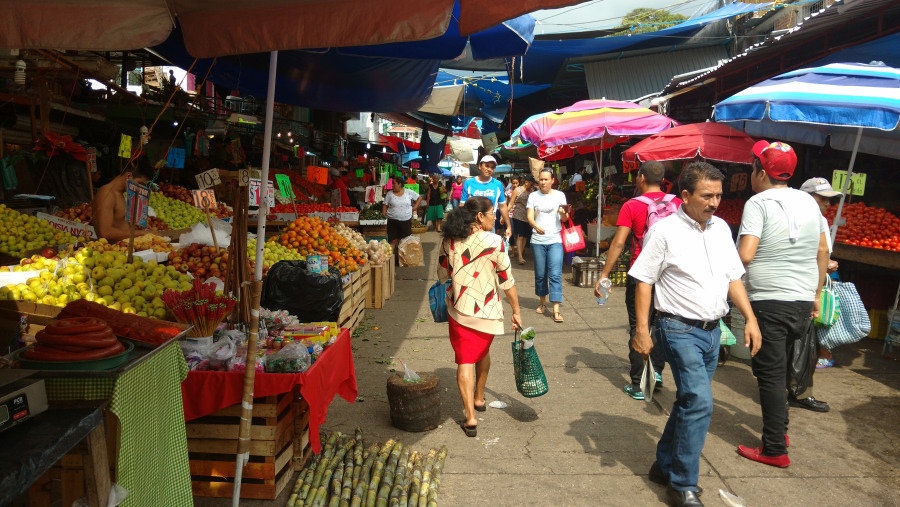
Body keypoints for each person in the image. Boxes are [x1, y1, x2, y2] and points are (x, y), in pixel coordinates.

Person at [629, 161, 762, 507]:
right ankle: (684, 484)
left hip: (712, 332)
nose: (714, 202)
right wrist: (642, 331)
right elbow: (643, 280)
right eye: (707, 196)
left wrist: (750, 318)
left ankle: (663, 464)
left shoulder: (720, 229)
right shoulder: (665, 231)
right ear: (685, 195)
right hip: (676, 328)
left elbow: (734, 276)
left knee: (690, 400)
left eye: (718, 195)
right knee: (701, 401)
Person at [736, 141, 830, 468]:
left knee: (771, 376)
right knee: (785, 368)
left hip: (768, 300)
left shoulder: (758, 203)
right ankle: (781, 431)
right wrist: (816, 294)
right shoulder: (810, 203)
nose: (751, 174)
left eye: (752, 168)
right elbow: (822, 251)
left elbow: (746, 254)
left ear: (761, 172)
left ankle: (775, 448)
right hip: (802, 299)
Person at [595, 161, 682, 401]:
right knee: (660, 325)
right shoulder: (677, 203)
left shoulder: (632, 205)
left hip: (641, 274)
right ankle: (657, 374)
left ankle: (637, 383)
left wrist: (604, 275)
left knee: (638, 326)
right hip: (670, 277)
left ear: (641, 178)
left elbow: (619, 243)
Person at [437, 196, 522, 437]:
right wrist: (517, 311)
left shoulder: (449, 241)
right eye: (492, 213)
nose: (495, 217)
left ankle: (470, 418)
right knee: (482, 352)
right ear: (479, 217)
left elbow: (442, 274)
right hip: (488, 313)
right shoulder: (495, 242)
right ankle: (479, 398)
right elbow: (507, 282)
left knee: (465, 359)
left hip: (459, 311)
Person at [799, 177, 841, 370]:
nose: (827, 203)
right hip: (805, 288)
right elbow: (822, 253)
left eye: (829, 199)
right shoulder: (819, 220)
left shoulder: (821, 220)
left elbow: (823, 254)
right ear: (806, 196)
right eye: (822, 198)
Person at [527, 168, 570, 323]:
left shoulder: (560, 195)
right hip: (537, 240)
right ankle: (542, 302)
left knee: (555, 274)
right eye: (541, 179)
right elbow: (529, 216)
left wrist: (563, 213)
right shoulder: (533, 195)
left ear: (553, 180)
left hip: (555, 240)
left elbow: (564, 218)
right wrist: (535, 226)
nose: (543, 182)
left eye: (546, 179)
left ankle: (556, 310)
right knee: (540, 274)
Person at [92, 158, 155, 242]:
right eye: (140, 183)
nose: (140, 189)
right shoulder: (107, 194)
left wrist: (134, 225)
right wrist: (142, 233)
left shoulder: (119, 194)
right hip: (112, 252)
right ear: (128, 176)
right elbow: (105, 233)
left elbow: (118, 223)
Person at [460, 155, 511, 238]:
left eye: (492, 167)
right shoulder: (468, 183)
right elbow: (462, 206)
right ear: (480, 166)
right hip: (471, 226)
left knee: (488, 250)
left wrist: (509, 227)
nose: (489, 169)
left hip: (490, 226)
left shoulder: (497, 185)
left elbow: (502, 206)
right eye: (487, 166)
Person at [382, 174, 424, 255]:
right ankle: (390, 259)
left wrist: (415, 207)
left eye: (394, 183)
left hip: (406, 221)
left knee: (404, 241)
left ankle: (403, 259)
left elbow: (419, 198)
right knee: (392, 240)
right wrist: (383, 217)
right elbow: (385, 205)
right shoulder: (389, 194)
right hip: (392, 221)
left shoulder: (408, 192)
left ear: (400, 184)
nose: (392, 185)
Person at [510, 175, 536, 265]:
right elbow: (511, 204)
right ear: (526, 182)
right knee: (520, 236)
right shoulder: (517, 190)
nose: (532, 185)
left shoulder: (532, 192)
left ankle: (521, 253)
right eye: (531, 183)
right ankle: (520, 257)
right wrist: (504, 216)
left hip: (528, 216)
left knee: (525, 236)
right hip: (518, 215)